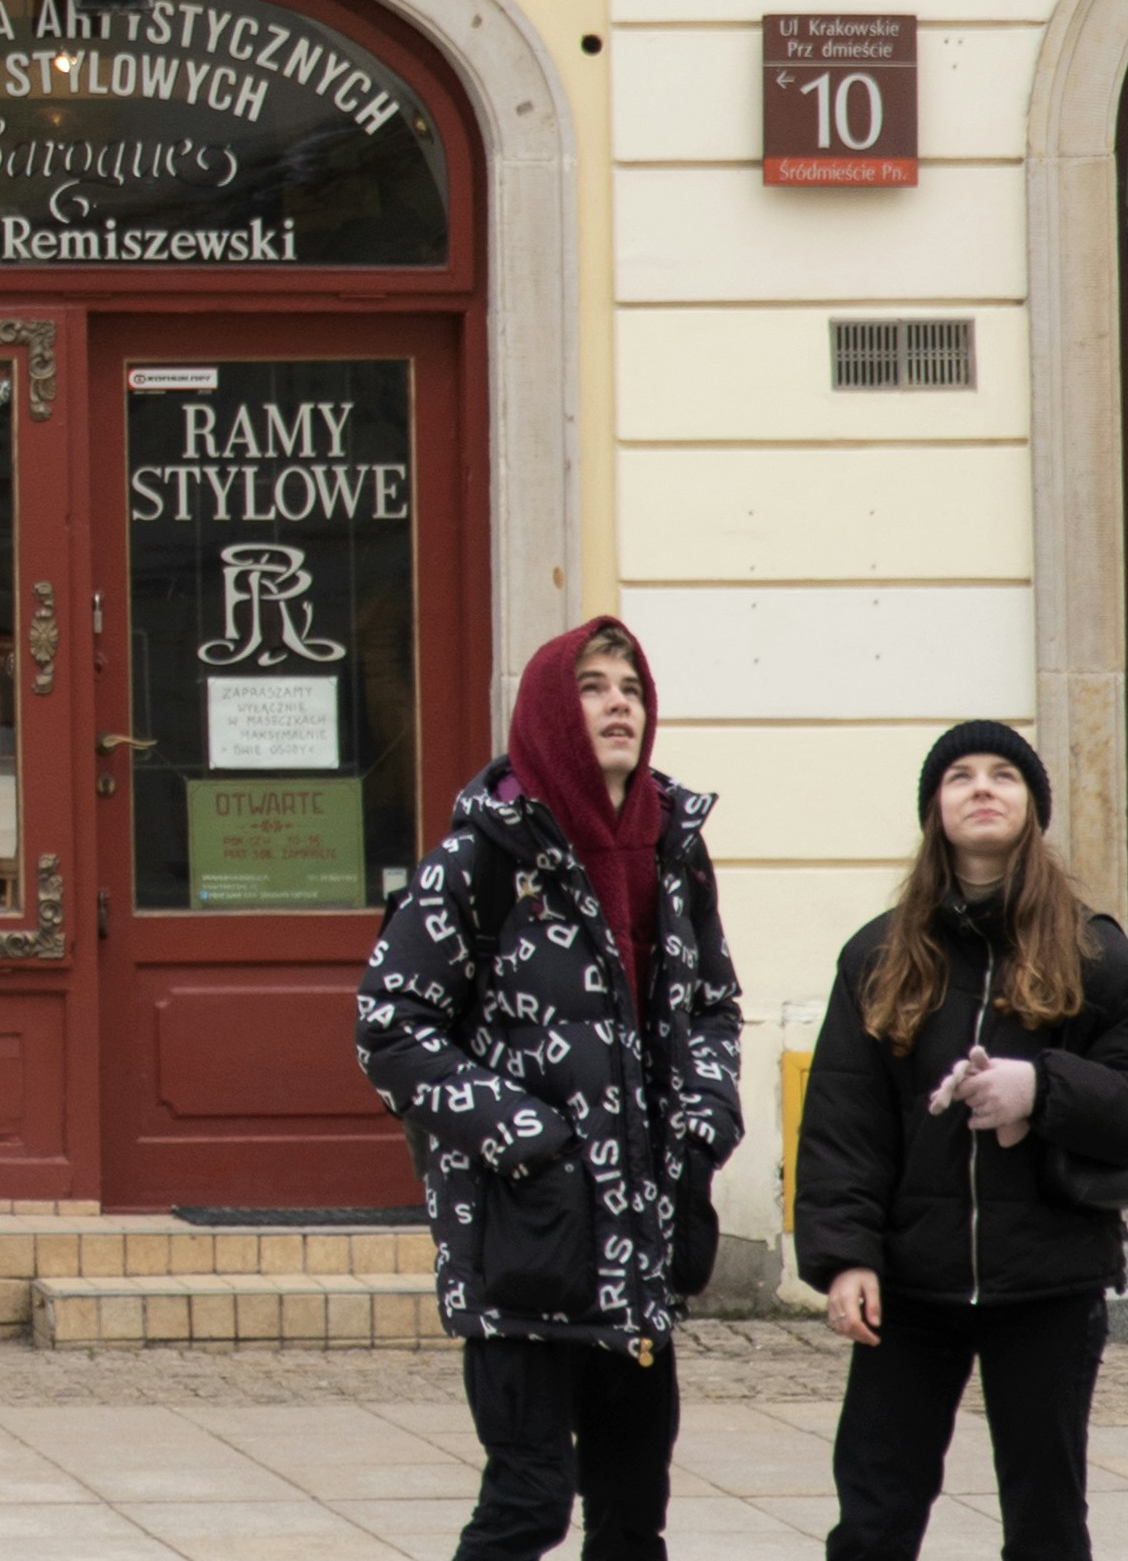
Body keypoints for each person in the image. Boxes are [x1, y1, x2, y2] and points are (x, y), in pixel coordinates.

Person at [358, 617, 745, 1561]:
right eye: (593, 686)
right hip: (527, 1239)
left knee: (628, 1522)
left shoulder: (673, 852)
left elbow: (712, 1009)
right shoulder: (482, 856)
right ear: (546, 710)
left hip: (638, 1249)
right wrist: (530, 1136)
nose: (620, 702)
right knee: (527, 1505)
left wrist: (698, 1128)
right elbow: (388, 1027)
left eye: (632, 687)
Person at [790, 718, 1128, 1559]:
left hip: (1046, 1280)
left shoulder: (1095, 953)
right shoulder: (876, 954)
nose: (981, 787)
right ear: (934, 810)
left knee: (1046, 1520)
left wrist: (1040, 1089)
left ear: (1032, 808)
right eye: (960, 776)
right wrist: (845, 1258)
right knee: (872, 1517)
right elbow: (843, 1121)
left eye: (1003, 774)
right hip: (909, 1286)